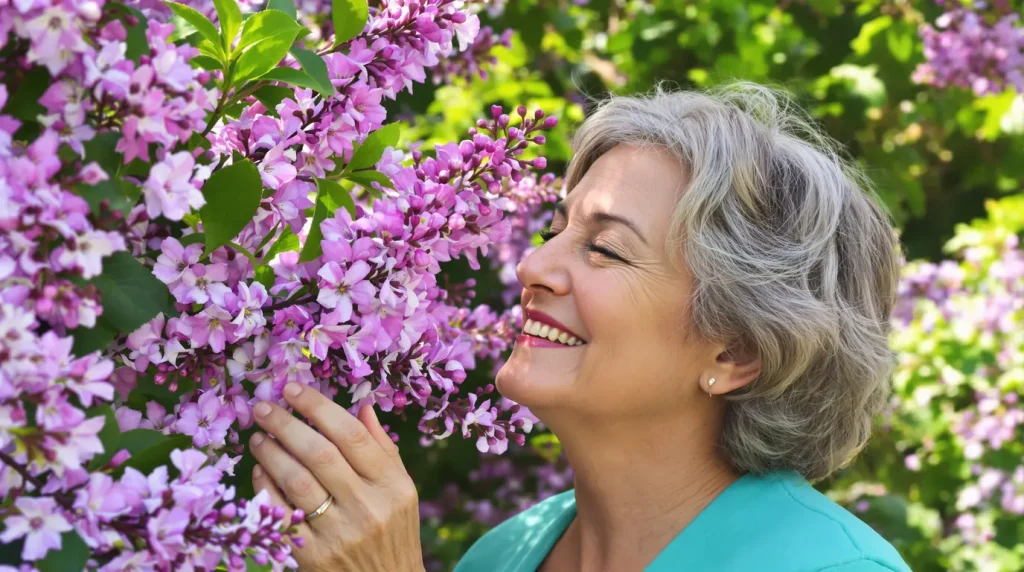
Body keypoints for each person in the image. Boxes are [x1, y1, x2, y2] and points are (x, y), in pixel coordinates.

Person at [247, 82, 912, 572]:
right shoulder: (502, 557)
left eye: (605, 249)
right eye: (555, 228)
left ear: (736, 349)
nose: (534, 264)